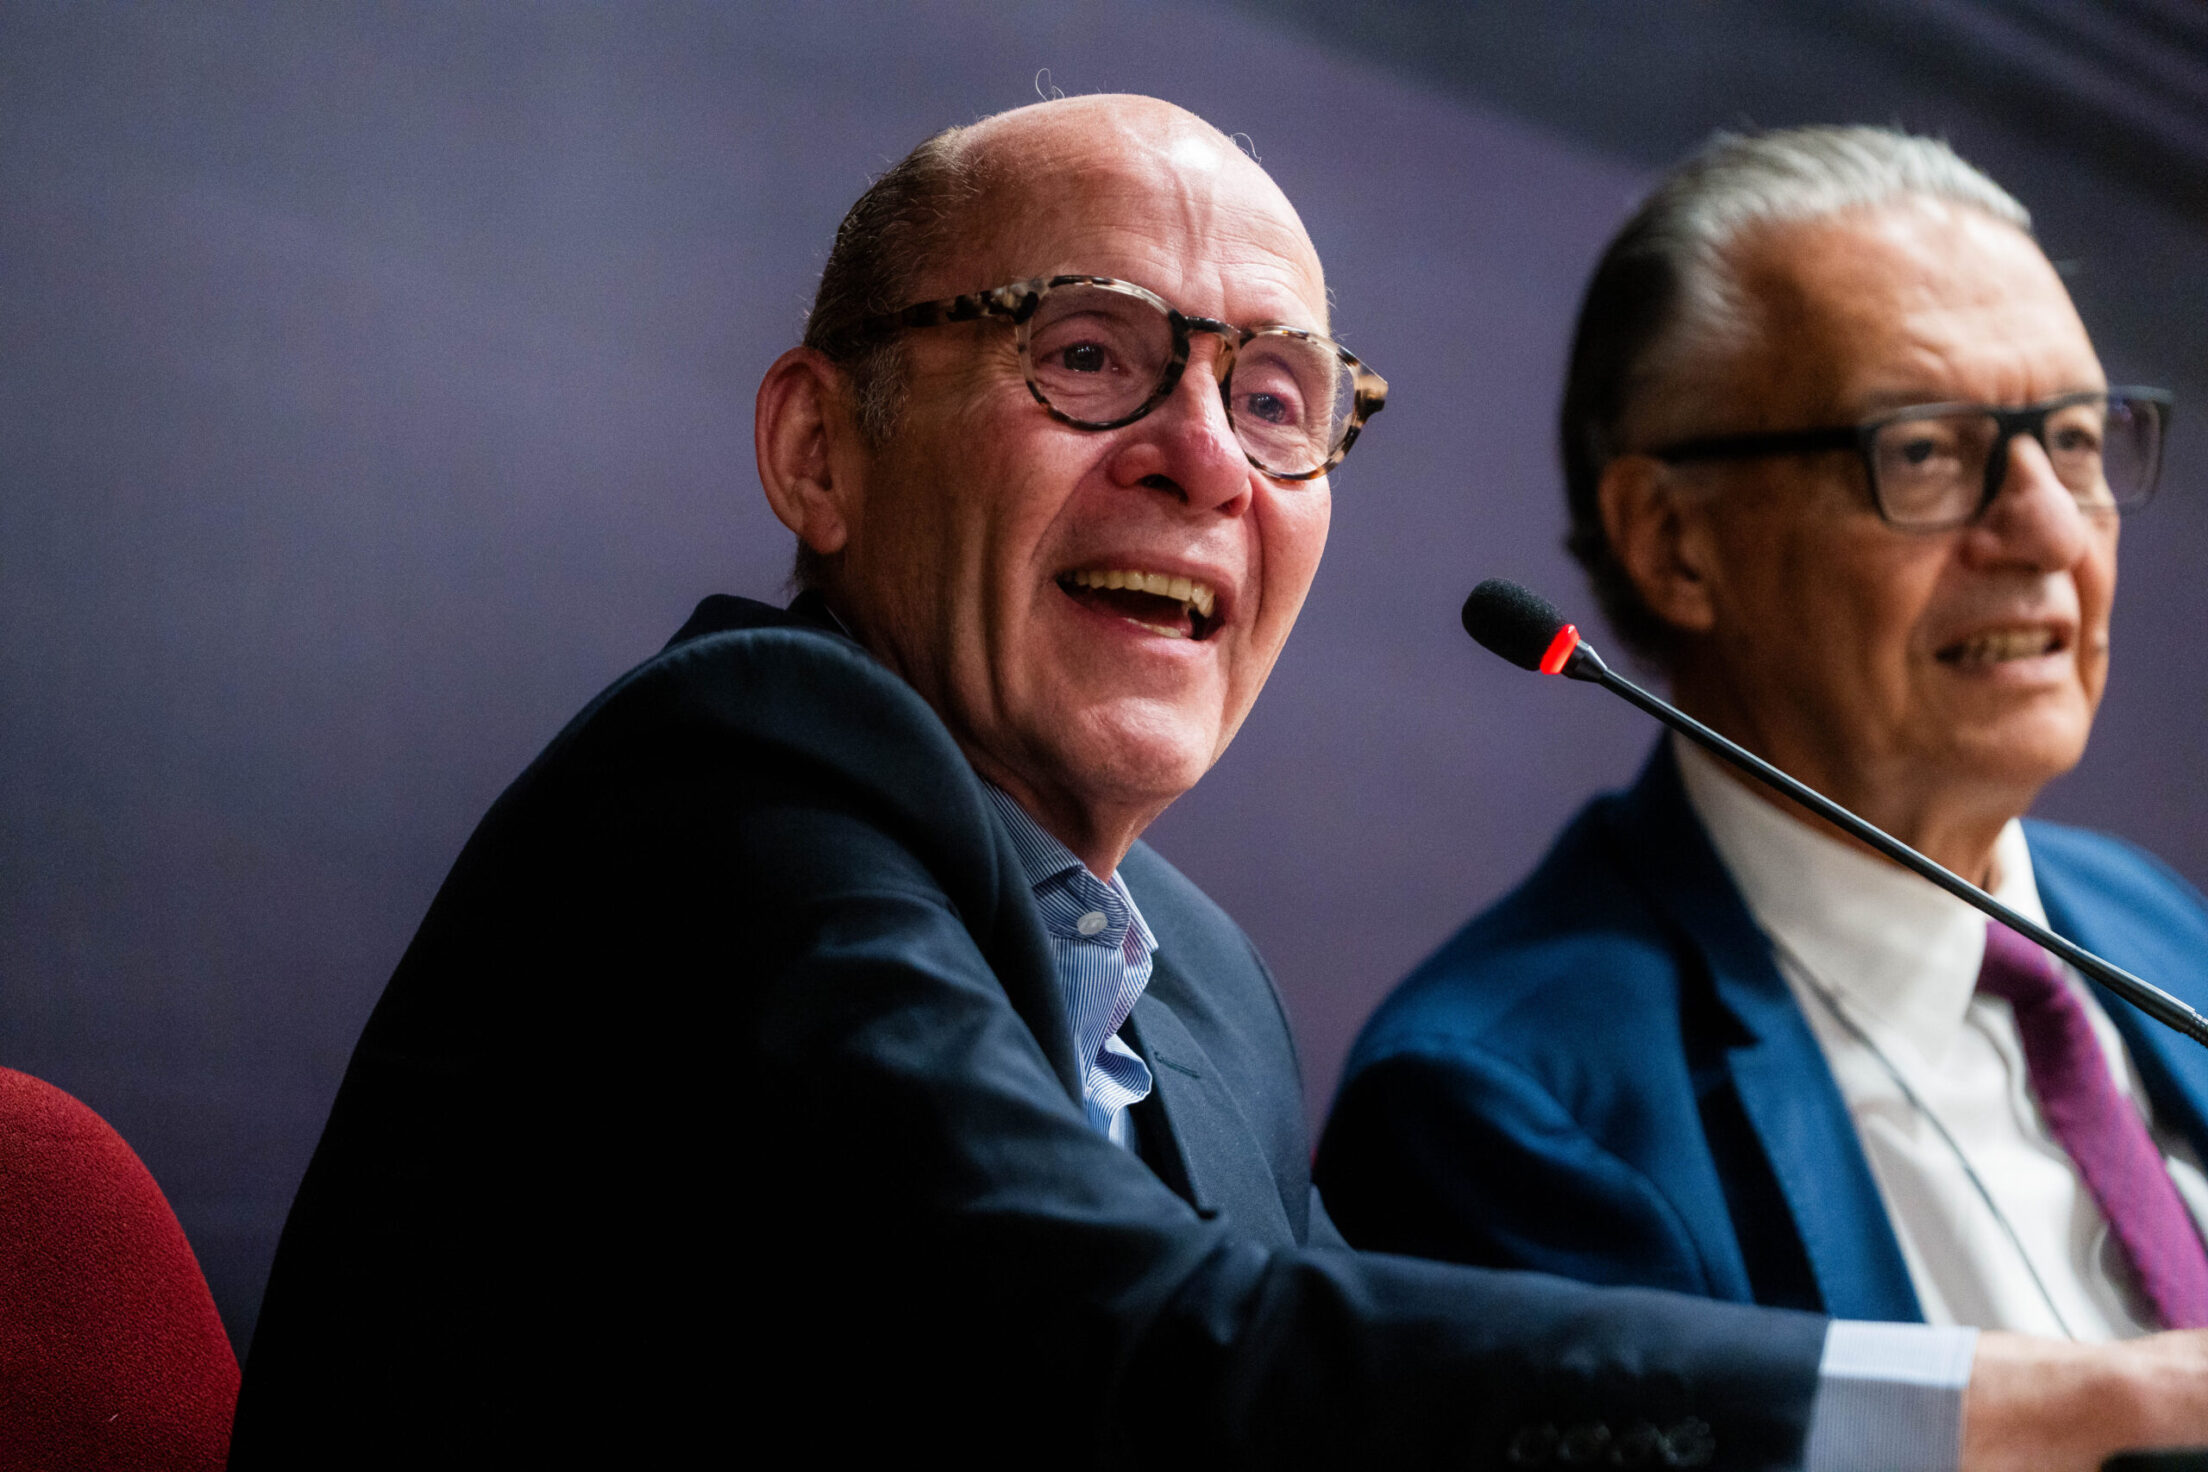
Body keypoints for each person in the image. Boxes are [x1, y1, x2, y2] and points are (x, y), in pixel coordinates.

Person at [229, 102, 2208, 1468]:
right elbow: (1124, 1351)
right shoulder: (728, 791)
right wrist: (2068, 1406)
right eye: (1088, 354)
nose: (1203, 460)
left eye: (1274, 397)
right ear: (820, 451)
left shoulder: (1198, 986)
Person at [1320, 126, 2208, 1351]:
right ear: (1673, 542)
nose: (2053, 530)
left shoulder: (2155, 923)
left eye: (2072, 439)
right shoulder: (1506, 1109)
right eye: (1926, 451)